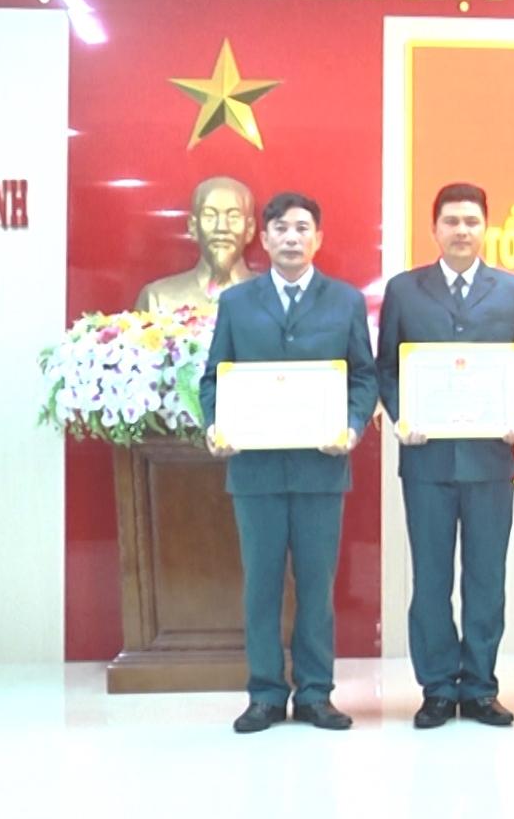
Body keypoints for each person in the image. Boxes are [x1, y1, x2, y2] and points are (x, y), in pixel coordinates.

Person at [199, 191, 377, 733]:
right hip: (255, 472)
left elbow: (363, 376)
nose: (292, 237)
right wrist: (215, 425)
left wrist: (352, 426)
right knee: (262, 586)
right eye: (281, 228)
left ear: (318, 238)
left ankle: (317, 693)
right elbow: (214, 377)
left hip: (321, 468)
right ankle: (266, 694)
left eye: (302, 228)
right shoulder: (237, 302)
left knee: (317, 588)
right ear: (265, 237)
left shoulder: (344, 301)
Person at [376, 182, 514, 729]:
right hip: (427, 460)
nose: (462, 230)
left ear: (486, 228)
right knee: (431, 579)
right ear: (434, 228)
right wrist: (403, 415)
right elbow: (387, 368)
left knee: (486, 578)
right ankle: (439, 687)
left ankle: (482, 686)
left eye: (471, 221)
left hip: (491, 459)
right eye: (451, 221)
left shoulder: (512, 290)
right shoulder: (404, 290)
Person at [136, 176, 260, 309]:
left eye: (233, 216)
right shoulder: (158, 299)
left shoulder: (274, 297)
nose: (221, 227)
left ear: (250, 229)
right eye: (210, 215)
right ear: (193, 227)